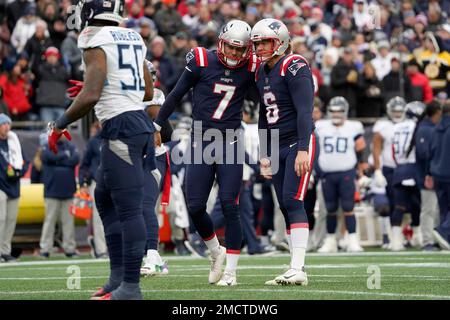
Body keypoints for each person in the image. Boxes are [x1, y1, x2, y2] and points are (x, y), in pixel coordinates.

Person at [47, 0, 155, 300]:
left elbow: (92, 94)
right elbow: (146, 90)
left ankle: (131, 287)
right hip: (135, 123)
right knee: (104, 197)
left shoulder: (93, 37)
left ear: (89, 13)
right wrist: (93, 87)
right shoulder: (134, 36)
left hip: (122, 127)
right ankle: (118, 279)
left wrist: (58, 124)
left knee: (129, 209)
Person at [154, 19, 258, 286]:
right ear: (221, 42)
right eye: (231, 48)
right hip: (201, 140)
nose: (235, 54)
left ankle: (232, 272)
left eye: (240, 49)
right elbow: (176, 93)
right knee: (196, 205)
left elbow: (268, 96)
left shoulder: (251, 67)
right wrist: (156, 124)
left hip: (232, 139)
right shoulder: (201, 59)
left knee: (229, 204)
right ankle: (215, 252)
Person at [251, 18, 315, 286]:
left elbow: (304, 111)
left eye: (265, 42)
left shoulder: (294, 65)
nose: (261, 48)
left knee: (292, 201)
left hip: (297, 142)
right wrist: (265, 153)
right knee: (285, 205)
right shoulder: (261, 72)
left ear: (281, 42)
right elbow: (264, 116)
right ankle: (294, 265)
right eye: (257, 43)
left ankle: (298, 267)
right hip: (277, 144)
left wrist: (303, 148)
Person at [315, 97, 365, 253]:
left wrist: (361, 169)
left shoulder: (354, 126)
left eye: (339, 111)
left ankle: (352, 239)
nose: (336, 115)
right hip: (327, 173)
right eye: (333, 111)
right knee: (330, 208)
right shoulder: (321, 126)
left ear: (345, 112)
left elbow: (361, 146)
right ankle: (330, 241)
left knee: (348, 207)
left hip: (346, 172)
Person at [390, 101, 426, 251]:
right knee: (418, 205)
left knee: (399, 206)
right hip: (414, 168)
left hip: (399, 169)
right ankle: (418, 236)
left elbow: (393, 151)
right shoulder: (419, 127)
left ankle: (395, 241)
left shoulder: (396, 127)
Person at [371, 96, 407, 248]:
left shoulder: (410, 125)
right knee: (393, 202)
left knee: (408, 203)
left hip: (406, 167)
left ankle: (411, 235)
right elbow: (376, 149)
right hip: (390, 168)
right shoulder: (383, 126)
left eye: (400, 111)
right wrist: (378, 170)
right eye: (395, 111)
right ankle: (394, 237)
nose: (398, 114)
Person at [39, 133, 79, 258]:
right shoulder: (46, 146)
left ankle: (69, 248)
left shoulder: (71, 146)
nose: (61, 134)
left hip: (68, 190)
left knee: (68, 222)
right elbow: (47, 157)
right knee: (49, 221)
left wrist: (57, 160)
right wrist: (64, 157)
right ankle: (45, 248)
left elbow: (75, 159)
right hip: (51, 190)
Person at [0, 114, 27, 262]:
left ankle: (5, 251)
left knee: (11, 220)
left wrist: (19, 172)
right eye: (3, 124)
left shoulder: (14, 142)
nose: (6, 127)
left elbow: (25, 161)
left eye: (8, 124)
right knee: (1, 218)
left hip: (14, 185)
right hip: (1, 185)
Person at [415, 101, 442, 251]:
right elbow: (424, 153)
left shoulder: (434, 128)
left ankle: (437, 238)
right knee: (429, 208)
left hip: (437, 174)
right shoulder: (425, 129)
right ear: (436, 113)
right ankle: (427, 240)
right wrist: (428, 173)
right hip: (427, 175)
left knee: (437, 209)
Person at [78, 123, 108, 259]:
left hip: (117, 182)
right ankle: (101, 249)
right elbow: (84, 164)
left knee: (118, 217)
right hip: (98, 183)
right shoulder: (94, 142)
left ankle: (114, 248)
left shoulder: (118, 139)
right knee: (98, 218)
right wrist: (82, 182)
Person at [428, 101, 450, 251]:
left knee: (444, 209)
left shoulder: (435, 128)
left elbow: (430, 151)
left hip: (437, 173)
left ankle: (444, 241)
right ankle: (443, 231)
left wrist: (429, 173)